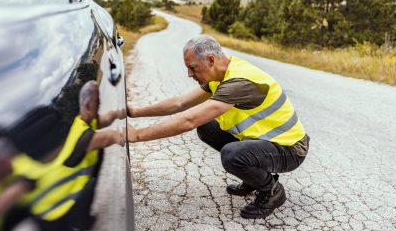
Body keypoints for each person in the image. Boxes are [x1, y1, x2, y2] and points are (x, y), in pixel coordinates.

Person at [127, 35, 309, 219]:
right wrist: (135, 112)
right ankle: (253, 179)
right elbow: (180, 103)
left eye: (192, 68)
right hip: (266, 142)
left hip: (290, 149)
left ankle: (272, 190)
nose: (189, 74)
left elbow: (189, 121)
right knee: (207, 127)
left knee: (232, 155)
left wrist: (137, 135)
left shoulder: (238, 82)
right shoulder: (221, 73)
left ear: (211, 60)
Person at [0, 81, 125, 231]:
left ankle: (82, 221)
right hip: (52, 216)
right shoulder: (18, 170)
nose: (2, 160)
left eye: (1, 153)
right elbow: (9, 196)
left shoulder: (21, 163)